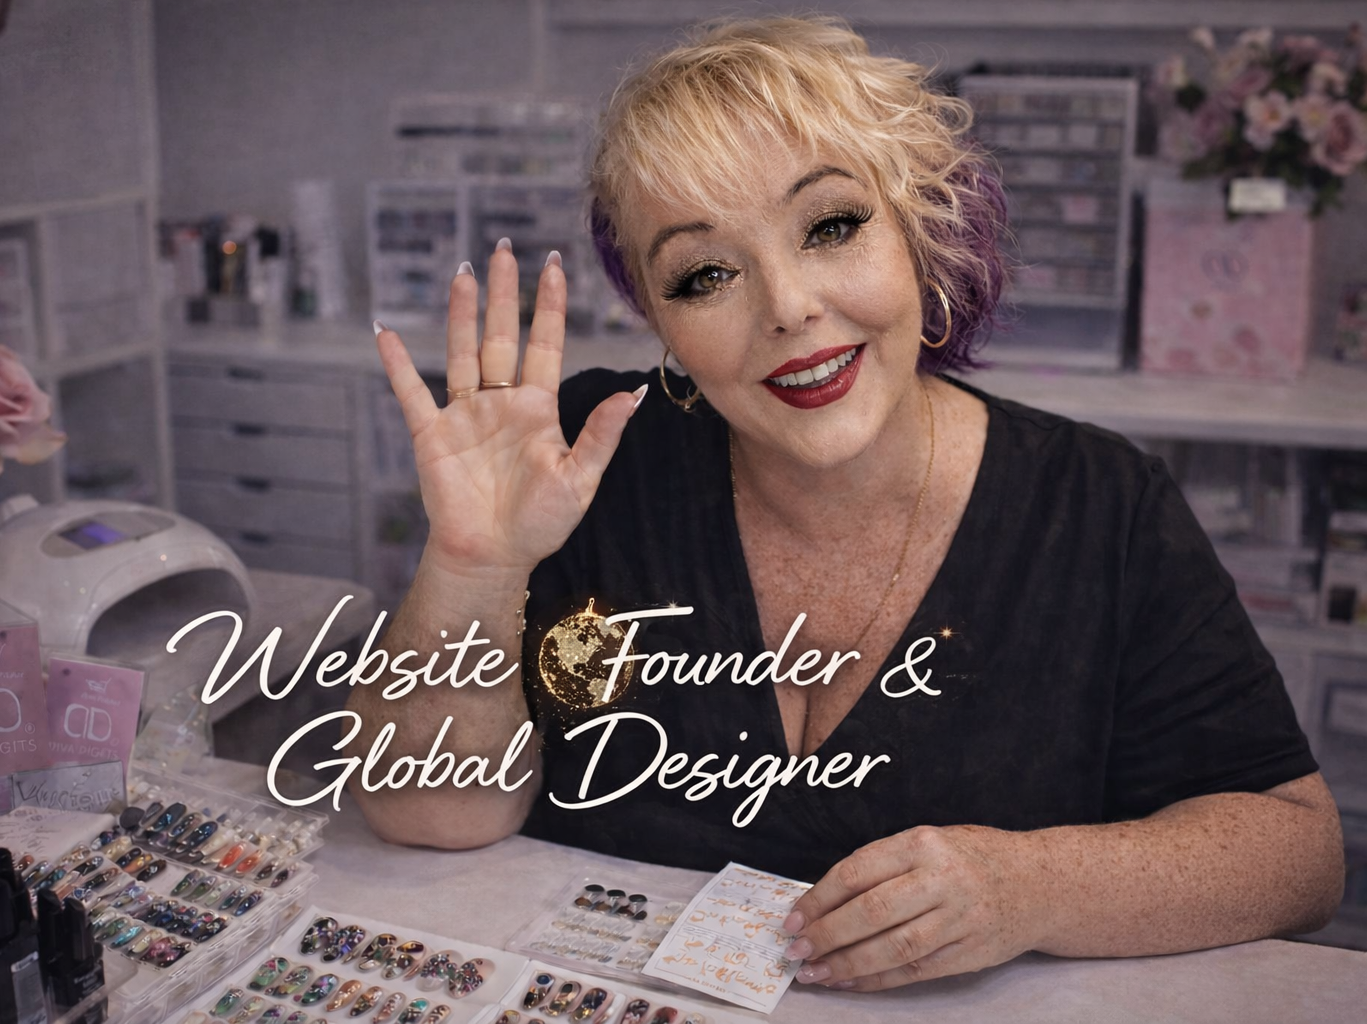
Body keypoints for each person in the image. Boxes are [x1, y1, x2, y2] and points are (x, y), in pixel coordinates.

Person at [351, 16, 1344, 993]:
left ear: (921, 224)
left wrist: (1030, 885)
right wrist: (475, 565)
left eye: (830, 225)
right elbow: (430, 815)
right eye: (706, 274)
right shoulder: (580, 454)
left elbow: (1297, 853)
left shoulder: (1100, 508)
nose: (786, 305)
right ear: (662, 324)